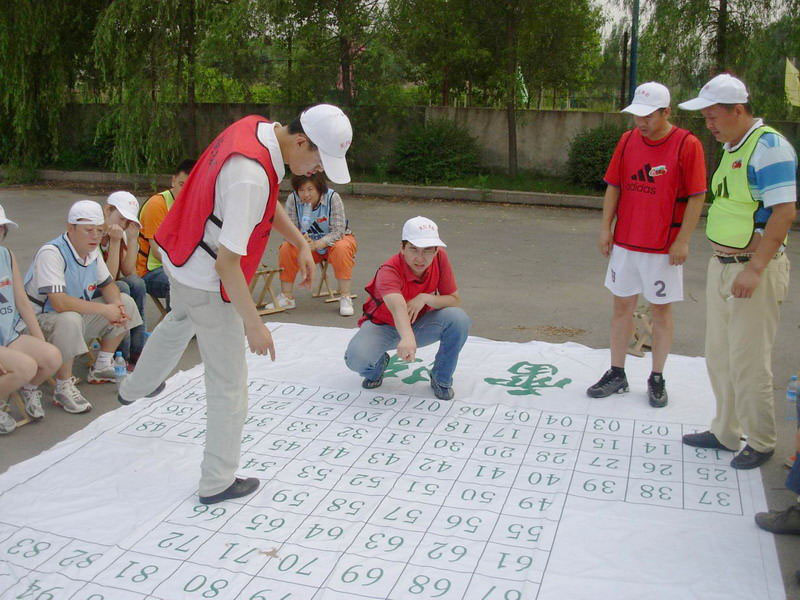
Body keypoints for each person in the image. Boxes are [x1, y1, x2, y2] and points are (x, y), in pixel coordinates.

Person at [118, 105, 352, 505]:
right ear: (299, 141)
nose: (315, 170)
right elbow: (228, 264)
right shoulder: (251, 177)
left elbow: (263, 203)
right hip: (209, 278)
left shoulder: (257, 129)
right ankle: (217, 481)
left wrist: (298, 241)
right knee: (229, 384)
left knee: (180, 318)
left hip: (180, 256)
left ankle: (134, 386)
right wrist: (253, 324)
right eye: (316, 159)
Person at [679, 74, 796, 469]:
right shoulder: (733, 147)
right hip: (723, 266)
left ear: (738, 110)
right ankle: (725, 431)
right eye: (705, 117)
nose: (708, 125)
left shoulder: (770, 148)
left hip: (752, 270)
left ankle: (761, 441)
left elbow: (784, 212)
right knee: (720, 355)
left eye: (714, 116)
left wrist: (757, 268)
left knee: (749, 360)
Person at [587, 81, 707, 408]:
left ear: (666, 112)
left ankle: (657, 377)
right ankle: (616, 372)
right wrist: (605, 228)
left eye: (648, 117)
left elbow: (698, 196)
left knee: (661, 312)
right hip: (626, 243)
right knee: (621, 308)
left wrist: (683, 240)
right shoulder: (627, 141)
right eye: (636, 116)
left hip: (663, 247)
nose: (641, 123)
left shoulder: (687, 144)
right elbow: (614, 187)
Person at [23, 200, 142, 414]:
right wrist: (105, 310)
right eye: (88, 230)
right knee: (70, 318)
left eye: (99, 230)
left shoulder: (92, 252)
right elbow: (59, 302)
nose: (96, 236)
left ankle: (101, 366)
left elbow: (108, 285)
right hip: (36, 324)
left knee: (126, 301)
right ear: (70, 228)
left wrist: (116, 305)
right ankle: (63, 386)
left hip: (69, 318)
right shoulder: (52, 252)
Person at [344, 216, 471, 401]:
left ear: (436, 251)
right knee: (356, 359)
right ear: (402, 248)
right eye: (413, 249)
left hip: (421, 323)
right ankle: (377, 367)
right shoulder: (388, 270)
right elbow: (397, 307)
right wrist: (407, 337)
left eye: (428, 250)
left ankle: (441, 378)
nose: (420, 258)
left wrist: (426, 298)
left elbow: (454, 299)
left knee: (458, 319)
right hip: (383, 326)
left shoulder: (440, 259)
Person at [0, 205, 61, 433]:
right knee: (26, 366)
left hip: (9, 334)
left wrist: (39, 339)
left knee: (52, 356)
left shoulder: (6, 255)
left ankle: (28, 390)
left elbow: (22, 302)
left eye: (0, 228)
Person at [274, 172, 358, 316]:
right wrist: (301, 242)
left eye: (310, 189)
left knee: (342, 247)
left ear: (319, 188)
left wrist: (318, 244)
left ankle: (345, 296)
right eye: (301, 190)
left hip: (333, 241)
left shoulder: (332, 198)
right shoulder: (293, 199)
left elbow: (339, 231)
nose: (305, 194)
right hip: (307, 243)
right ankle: (287, 296)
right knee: (286, 248)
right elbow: (290, 229)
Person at [137, 159, 196, 306]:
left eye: (190, 186)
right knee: (179, 284)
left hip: (179, 266)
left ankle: (201, 325)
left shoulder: (195, 206)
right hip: (150, 270)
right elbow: (157, 251)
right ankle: (177, 326)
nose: (184, 191)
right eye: (182, 185)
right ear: (173, 180)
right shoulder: (157, 205)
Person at [102, 191, 146, 364]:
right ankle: (121, 355)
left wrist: (133, 239)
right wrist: (114, 242)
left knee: (136, 283)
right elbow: (109, 278)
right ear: (107, 211)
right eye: (121, 219)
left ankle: (138, 350)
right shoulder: (95, 232)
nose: (124, 224)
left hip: (110, 286)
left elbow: (129, 271)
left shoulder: (121, 233)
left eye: (128, 222)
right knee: (123, 288)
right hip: (92, 289)